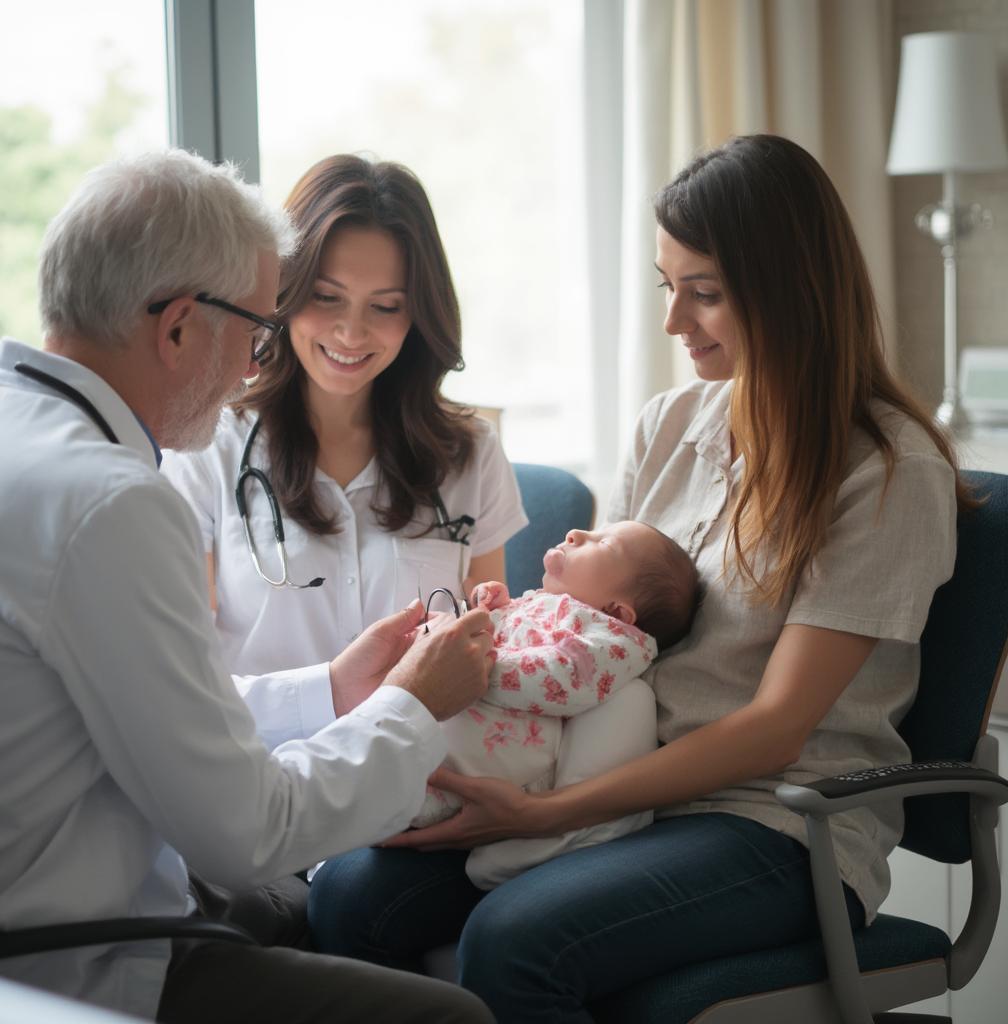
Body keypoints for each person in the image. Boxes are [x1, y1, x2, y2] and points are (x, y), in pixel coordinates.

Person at [301, 134, 967, 1022]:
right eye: (669, 288)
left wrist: (548, 814)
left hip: (774, 823)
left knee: (516, 941)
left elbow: (773, 731)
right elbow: (606, 632)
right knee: (348, 893)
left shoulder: (885, 472)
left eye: (706, 294)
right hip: (622, 798)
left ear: (792, 292)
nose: (674, 324)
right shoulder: (670, 425)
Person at [0, 149, 497, 1024]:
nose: (251, 365)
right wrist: (410, 706)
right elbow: (247, 833)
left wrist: (332, 689)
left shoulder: (27, 433)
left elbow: (157, 707)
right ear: (182, 326)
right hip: (69, 954)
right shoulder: (116, 502)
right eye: (259, 328)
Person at [161, 154, 526, 677]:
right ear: (282, 292)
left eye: (385, 307)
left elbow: (491, 641)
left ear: (418, 313)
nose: (351, 334)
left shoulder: (471, 452)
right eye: (326, 297)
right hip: (274, 755)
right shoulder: (207, 446)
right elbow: (181, 670)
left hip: (431, 753)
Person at [404, 521, 698, 890]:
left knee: (634, 699)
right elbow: (516, 638)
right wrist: (499, 610)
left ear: (620, 613)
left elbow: (559, 677)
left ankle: (569, 839)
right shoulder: (543, 603)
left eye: (603, 544)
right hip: (441, 729)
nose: (575, 533)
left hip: (498, 756)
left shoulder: (614, 639)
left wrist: (473, 667)